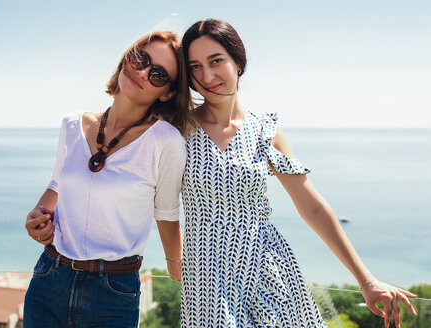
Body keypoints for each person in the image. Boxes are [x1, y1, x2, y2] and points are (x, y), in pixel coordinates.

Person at [179, 19, 417, 328]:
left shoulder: (265, 130)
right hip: (207, 280)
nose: (207, 76)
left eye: (216, 61)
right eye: (195, 67)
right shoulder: (178, 129)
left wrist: (365, 279)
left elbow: (313, 207)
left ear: (238, 62)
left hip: (269, 270)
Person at [23, 31, 189, 327]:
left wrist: (175, 266)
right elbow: (57, 184)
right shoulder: (72, 123)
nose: (142, 72)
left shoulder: (166, 141)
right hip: (49, 279)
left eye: (158, 74)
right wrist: (38, 220)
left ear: (166, 93)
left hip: (113, 293)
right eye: (141, 58)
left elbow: (165, 211)